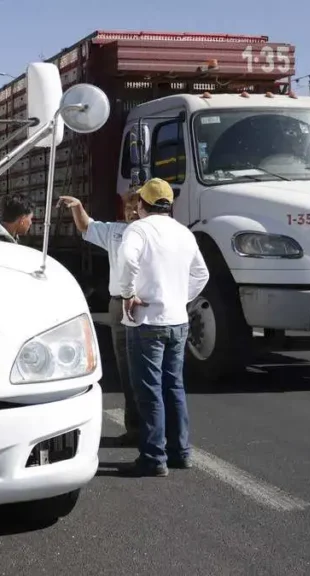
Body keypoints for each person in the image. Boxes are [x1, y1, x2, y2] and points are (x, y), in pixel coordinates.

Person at [117, 178, 210, 477]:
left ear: (142, 204)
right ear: (170, 205)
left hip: (147, 322)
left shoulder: (138, 229)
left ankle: (153, 457)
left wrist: (128, 293)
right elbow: (201, 273)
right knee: (175, 387)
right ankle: (180, 452)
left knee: (149, 391)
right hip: (177, 321)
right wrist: (180, 298)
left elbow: (128, 258)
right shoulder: (184, 233)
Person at [58, 192, 142, 446]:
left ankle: (159, 434)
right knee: (128, 370)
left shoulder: (158, 233)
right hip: (120, 305)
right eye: (128, 208)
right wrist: (78, 207)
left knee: (151, 373)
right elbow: (87, 226)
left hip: (148, 306)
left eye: (137, 207)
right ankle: (137, 430)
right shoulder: (116, 232)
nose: (132, 213)